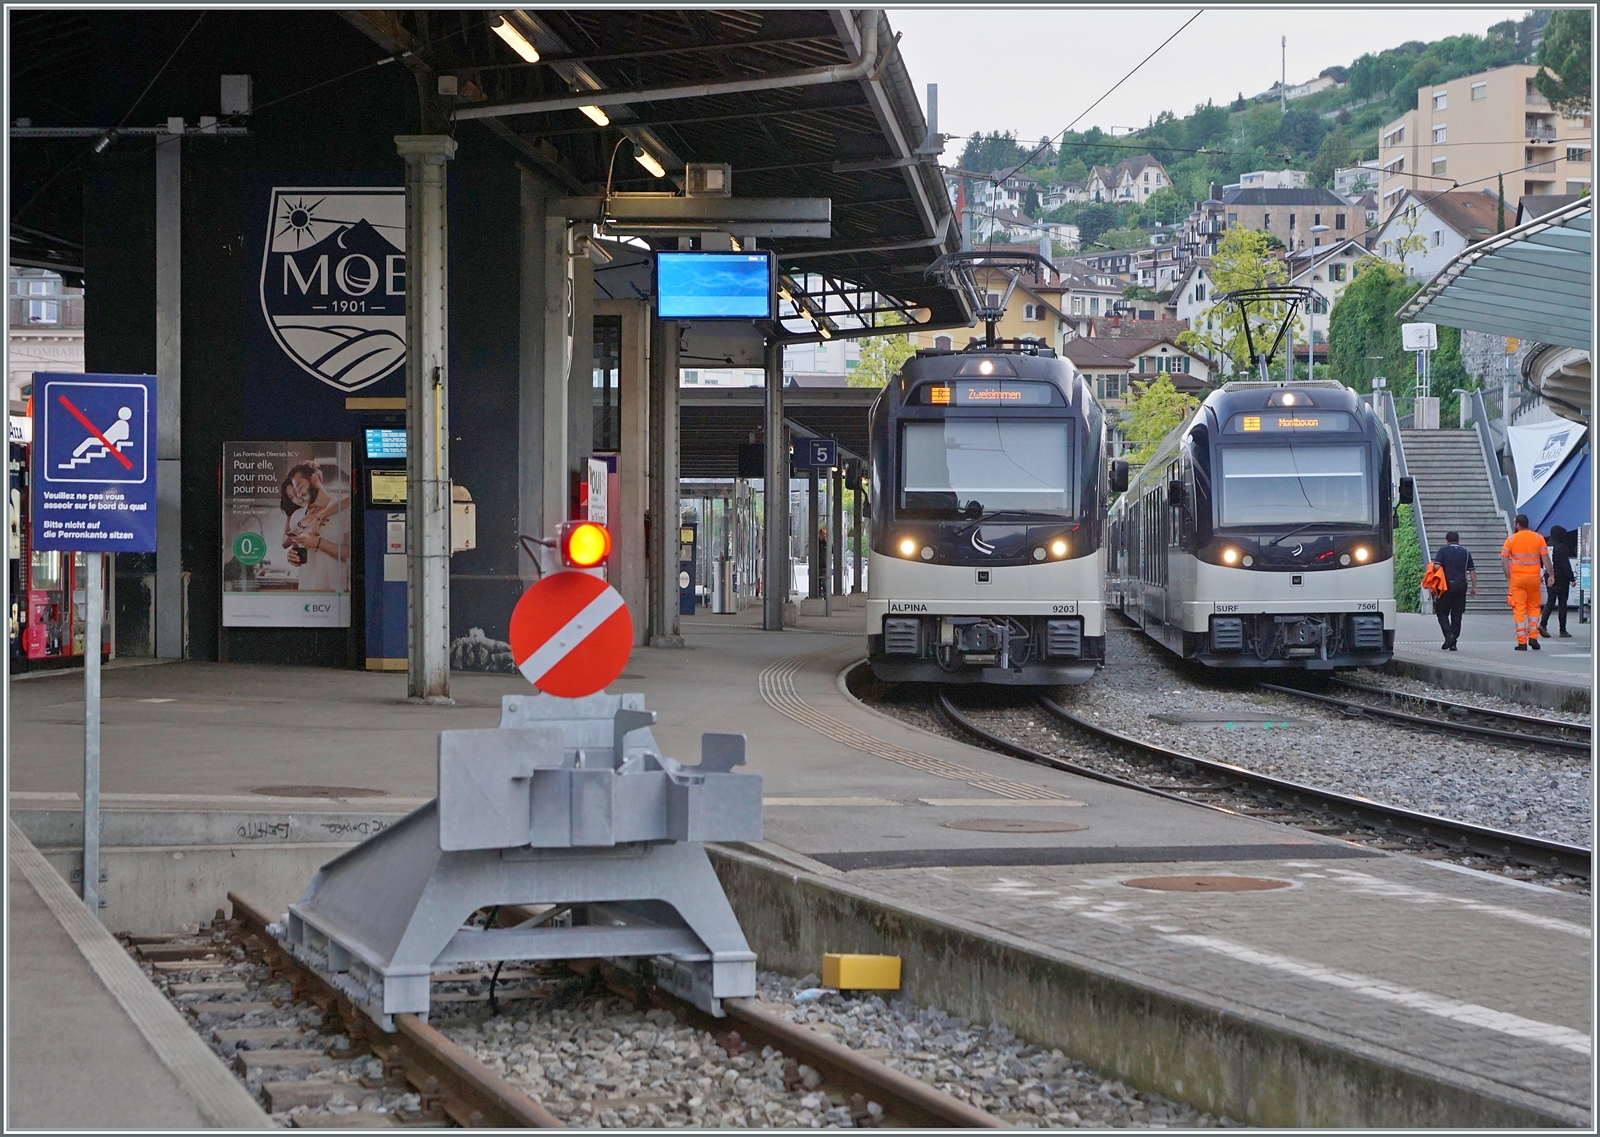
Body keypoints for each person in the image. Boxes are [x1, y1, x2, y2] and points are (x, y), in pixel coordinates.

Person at [1500, 513, 1553, 651]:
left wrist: (1508, 577)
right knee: (1534, 607)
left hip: (1517, 580)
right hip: (1534, 578)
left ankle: (1522, 641)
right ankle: (1534, 637)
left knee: (1519, 609)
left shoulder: (1511, 539)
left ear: (1517, 524)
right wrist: (1551, 574)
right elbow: (1546, 558)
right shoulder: (1538, 538)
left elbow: (1505, 560)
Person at [1432, 530, 1477, 651]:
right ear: (1458, 541)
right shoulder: (1466, 553)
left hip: (1446, 586)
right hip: (1461, 585)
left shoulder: (1443, 551)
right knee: (1457, 614)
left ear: (1447, 541)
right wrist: (1474, 587)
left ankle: (1449, 634)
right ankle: (1453, 643)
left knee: (1441, 611)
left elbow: (1436, 566)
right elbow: (1472, 571)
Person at [1540, 524, 1577, 638]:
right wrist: (1571, 577)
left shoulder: (1547, 546)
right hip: (1562, 579)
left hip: (1549, 577)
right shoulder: (1561, 547)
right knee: (1562, 604)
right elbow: (1565, 564)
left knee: (1550, 602)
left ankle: (1543, 624)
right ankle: (1562, 630)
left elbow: (1543, 561)